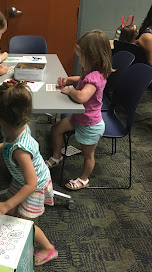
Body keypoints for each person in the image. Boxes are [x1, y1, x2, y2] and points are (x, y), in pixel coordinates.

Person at [0, 82, 58, 266]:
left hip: (33, 186)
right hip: (22, 180)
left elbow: (32, 183)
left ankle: (48, 248)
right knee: (13, 212)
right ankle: (12, 219)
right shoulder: (18, 129)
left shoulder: (20, 150)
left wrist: (5, 205)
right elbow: (8, 145)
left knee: (25, 224)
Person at [45, 29, 112, 190]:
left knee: (88, 156)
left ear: (93, 58)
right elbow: (82, 79)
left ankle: (84, 179)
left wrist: (70, 90)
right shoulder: (91, 71)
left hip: (90, 124)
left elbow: (82, 96)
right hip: (79, 118)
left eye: (81, 57)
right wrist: (69, 79)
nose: (79, 60)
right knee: (56, 129)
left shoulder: (95, 78)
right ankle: (57, 157)